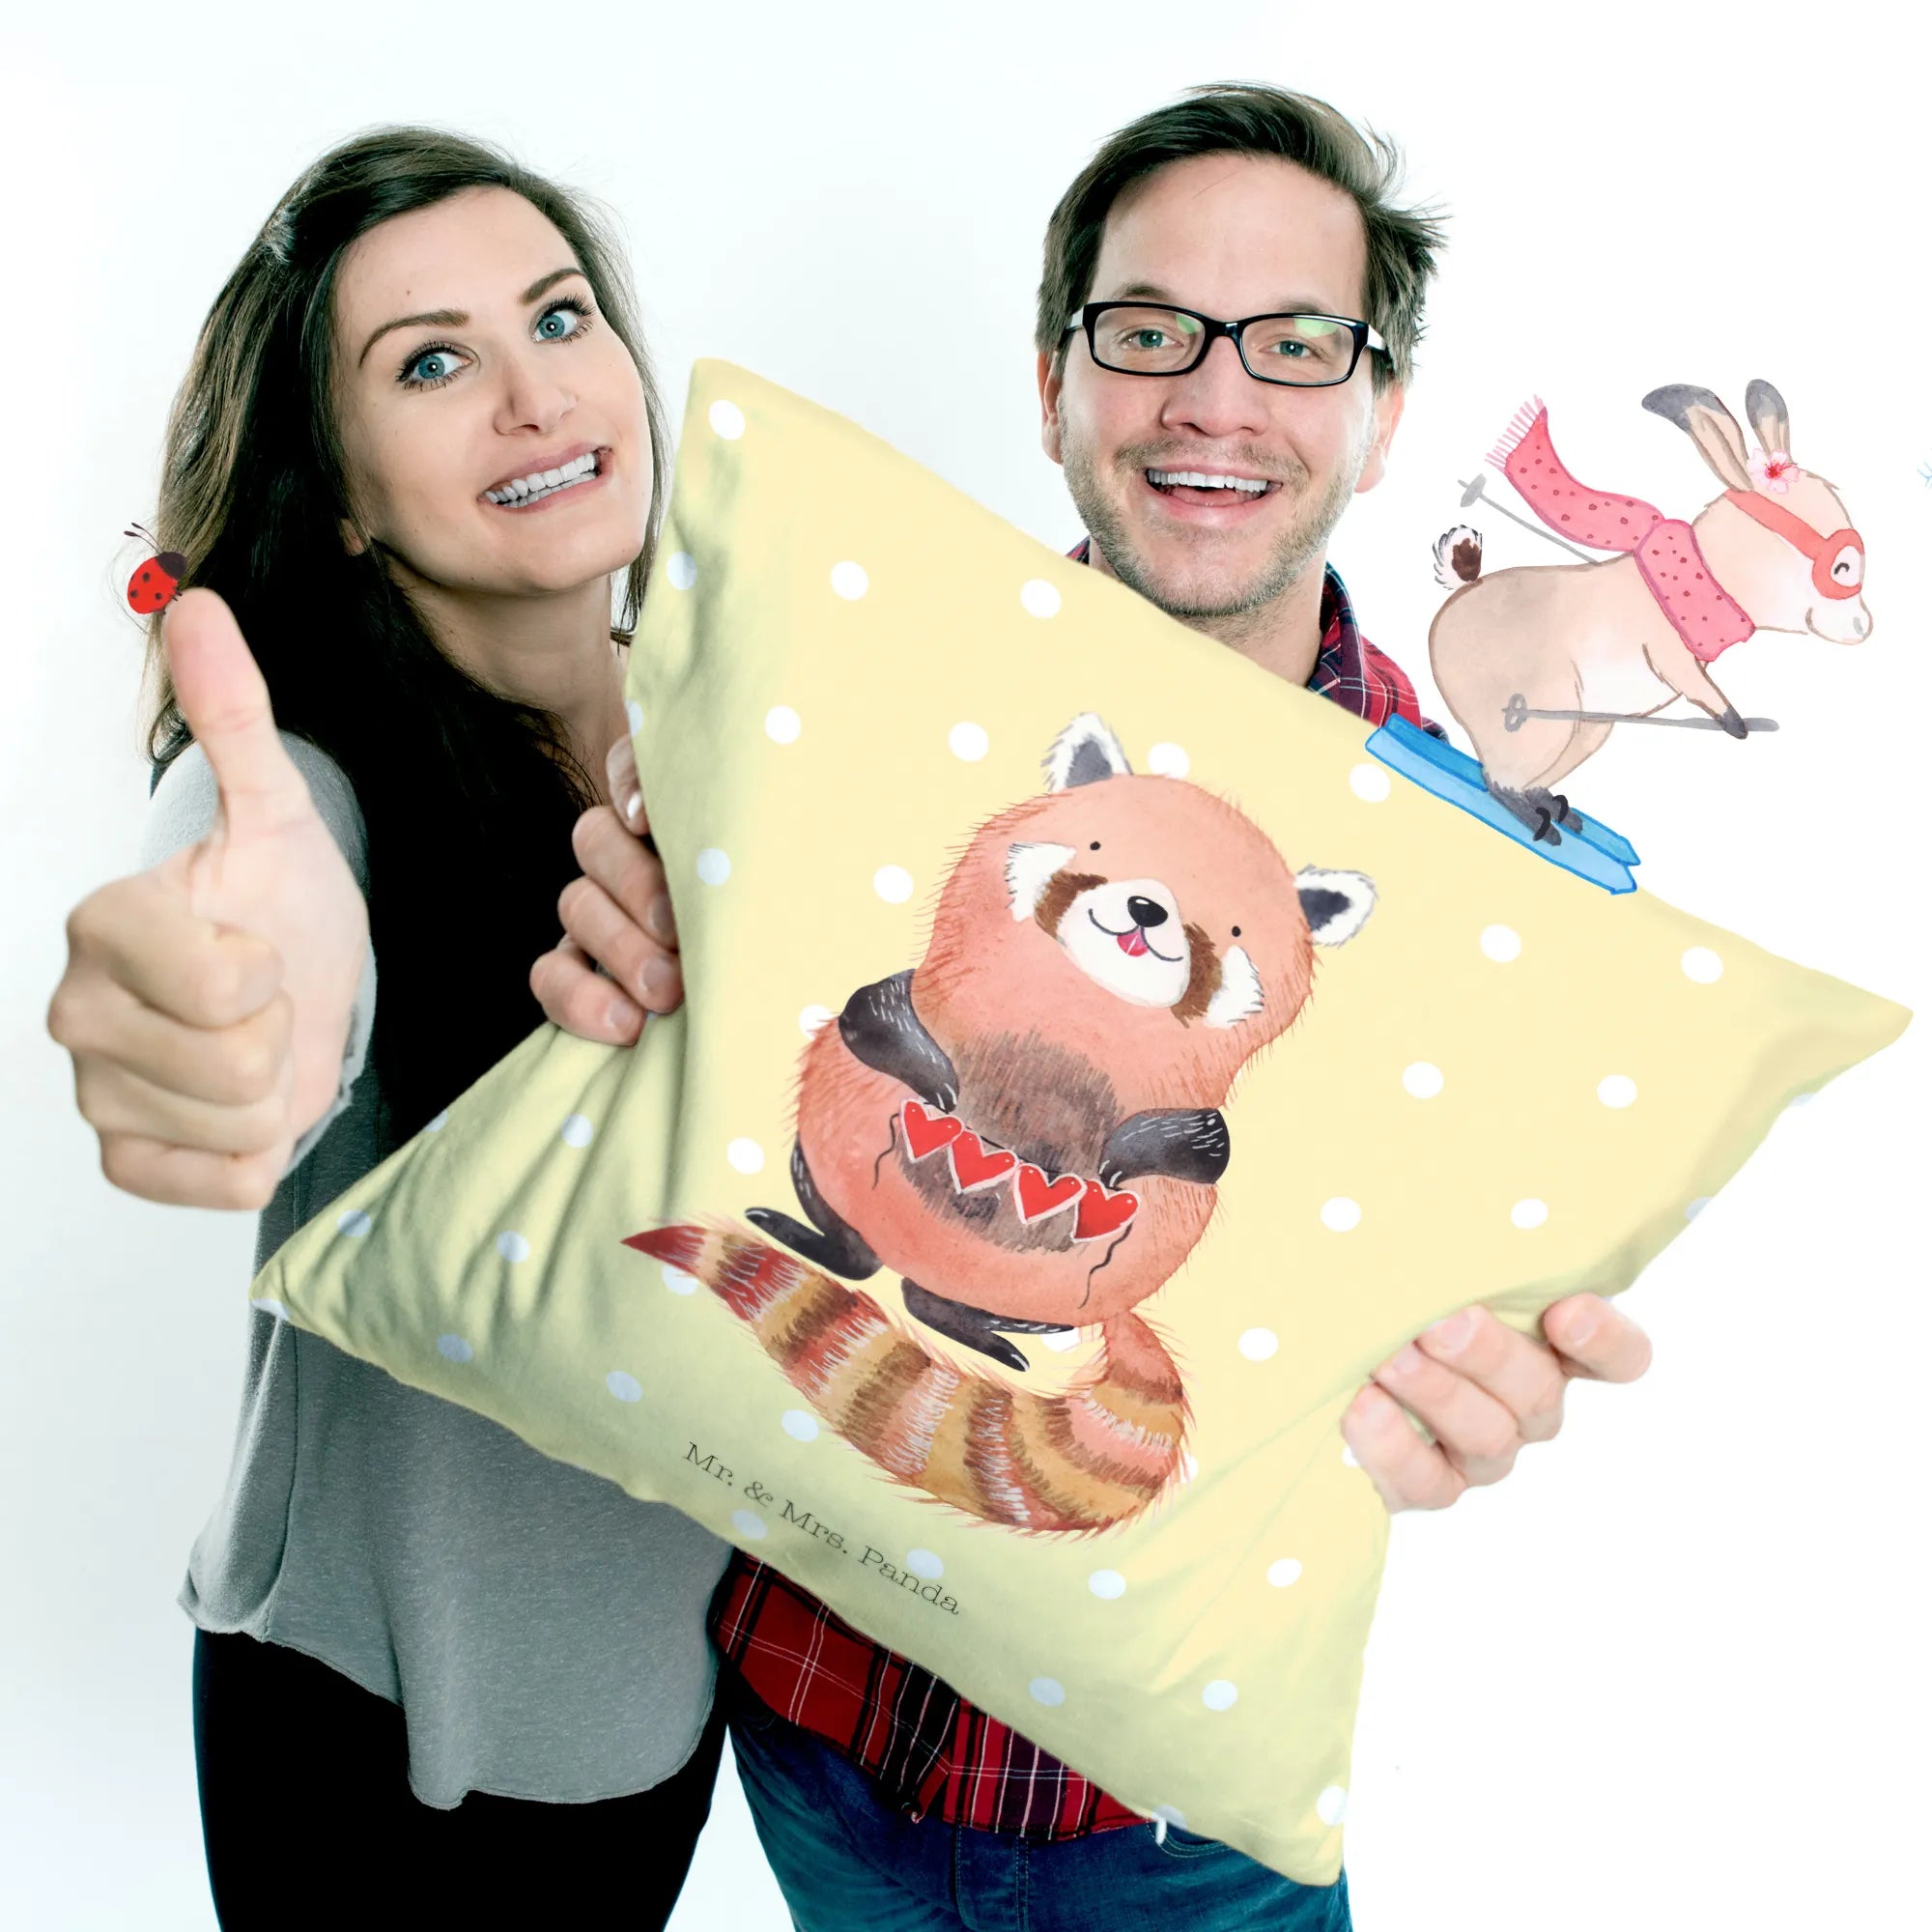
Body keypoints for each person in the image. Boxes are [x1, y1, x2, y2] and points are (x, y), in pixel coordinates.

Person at [536, 84, 1656, 1928]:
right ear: (1054, 382)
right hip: (807, 1735)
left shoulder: (1481, 886)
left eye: (1297, 343)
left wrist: (1482, 1376)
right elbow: (708, 1100)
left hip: (1180, 1822)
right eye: (1150, 332)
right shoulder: (853, 707)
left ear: (1381, 417)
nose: (1216, 398)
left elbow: (1433, 1303)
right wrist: (629, 964)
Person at [44, 130, 722, 1927]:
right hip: (379, 1741)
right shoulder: (308, 784)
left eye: (558, 318)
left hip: (663, 1707)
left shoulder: (731, 744)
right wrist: (223, 1001)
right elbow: (252, 901)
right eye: (430, 363)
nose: (532, 395)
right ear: (341, 496)